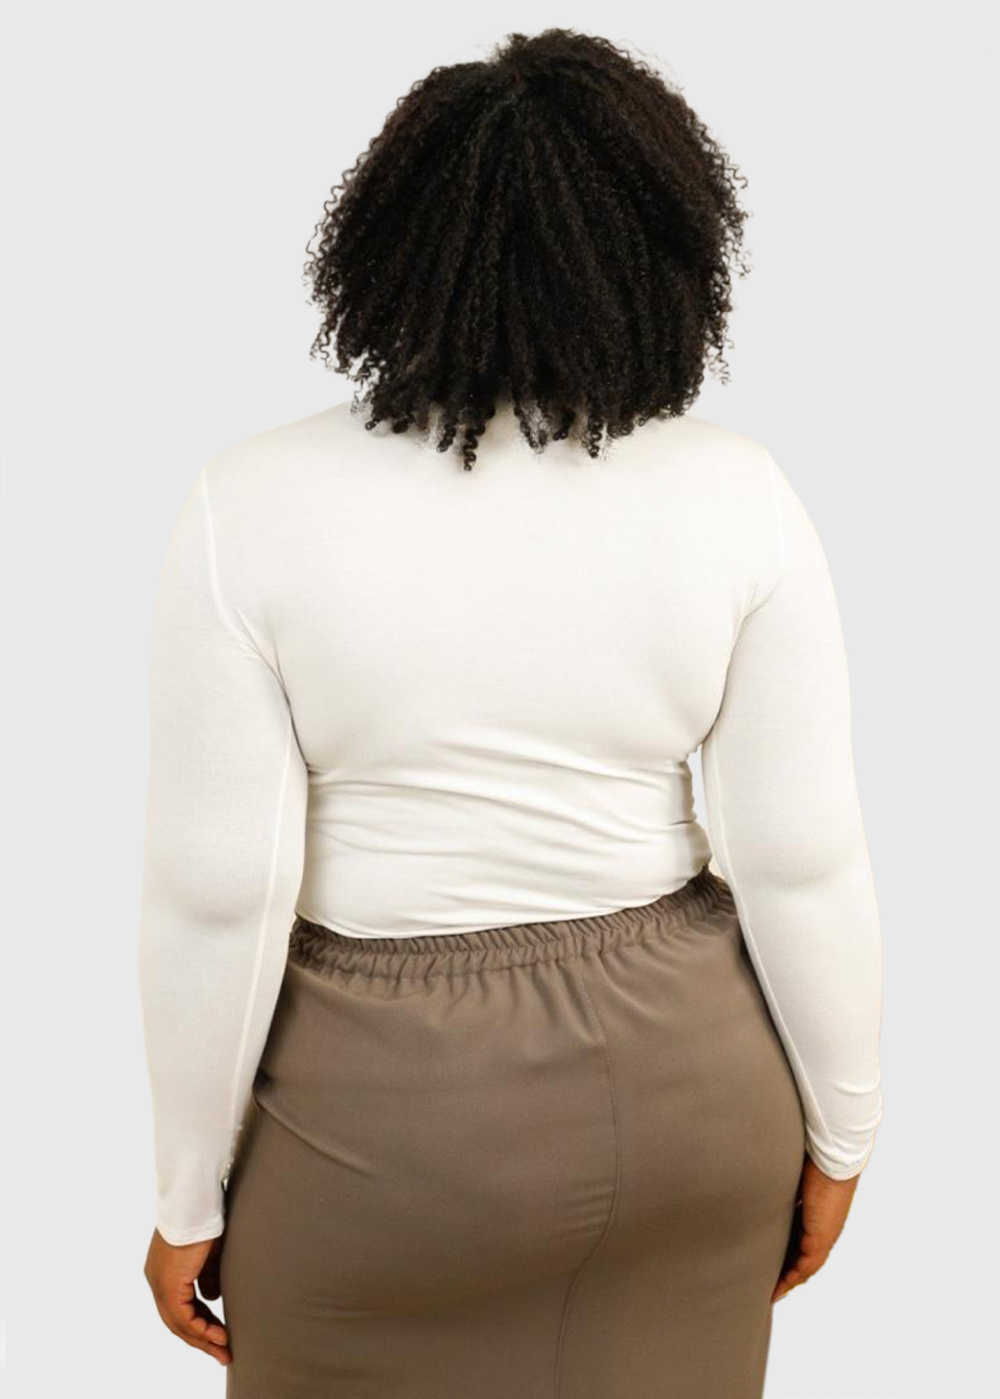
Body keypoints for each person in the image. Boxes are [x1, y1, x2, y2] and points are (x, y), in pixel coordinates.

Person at [138, 26, 883, 1399]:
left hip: (383, 1128)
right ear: (666, 247)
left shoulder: (249, 503)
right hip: (696, 1100)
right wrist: (843, 1131)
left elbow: (219, 898)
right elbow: (801, 862)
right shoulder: (740, 493)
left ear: (391, 245)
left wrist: (188, 1192)